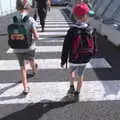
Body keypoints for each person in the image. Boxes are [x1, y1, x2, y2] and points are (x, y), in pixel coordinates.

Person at [61, 2, 96, 101]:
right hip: (85, 58)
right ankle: (77, 93)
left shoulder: (71, 30)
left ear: (74, 16)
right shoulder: (90, 29)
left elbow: (65, 47)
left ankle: (71, 86)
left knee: (71, 71)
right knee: (80, 75)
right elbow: (94, 44)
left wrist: (63, 60)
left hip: (73, 58)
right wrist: (93, 54)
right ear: (86, 16)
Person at [15, 0, 39, 95]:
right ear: (26, 6)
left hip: (16, 46)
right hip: (29, 46)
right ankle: (34, 70)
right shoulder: (30, 19)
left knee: (22, 67)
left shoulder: (13, 18)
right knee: (31, 59)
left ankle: (25, 88)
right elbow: (36, 36)